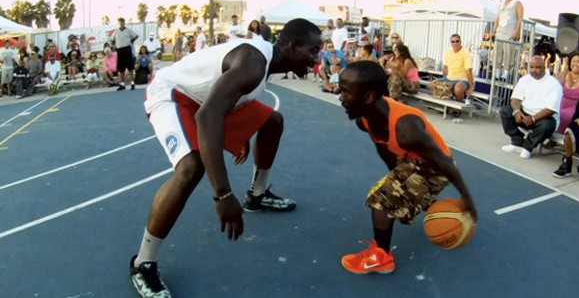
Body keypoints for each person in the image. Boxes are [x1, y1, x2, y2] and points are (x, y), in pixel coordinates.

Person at [130, 18, 323, 298]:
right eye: (313, 51)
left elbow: (229, 94)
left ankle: (257, 195)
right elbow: (208, 115)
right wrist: (222, 194)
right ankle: (142, 263)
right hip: (175, 94)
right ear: (293, 46)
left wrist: (241, 131)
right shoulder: (254, 63)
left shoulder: (264, 60)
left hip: (205, 97)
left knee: (272, 121)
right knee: (191, 167)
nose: (317, 59)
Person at [337, 60, 477, 274]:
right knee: (392, 190)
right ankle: (424, 201)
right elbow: (383, 148)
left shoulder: (406, 128)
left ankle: (381, 258)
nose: (340, 97)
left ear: (368, 97)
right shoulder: (365, 120)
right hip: (412, 160)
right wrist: (397, 177)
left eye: (346, 92)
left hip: (434, 168)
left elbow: (443, 161)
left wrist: (467, 198)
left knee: (380, 200)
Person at [500, 56, 562, 159]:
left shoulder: (553, 84)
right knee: (506, 111)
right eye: (532, 67)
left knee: (546, 125)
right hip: (525, 113)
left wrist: (533, 119)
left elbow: (550, 109)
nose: (534, 70)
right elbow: (515, 99)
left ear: (544, 67)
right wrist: (517, 112)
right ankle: (517, 142)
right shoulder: (525, 79)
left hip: (543, 117)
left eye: (537, 67)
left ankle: (527, 147)